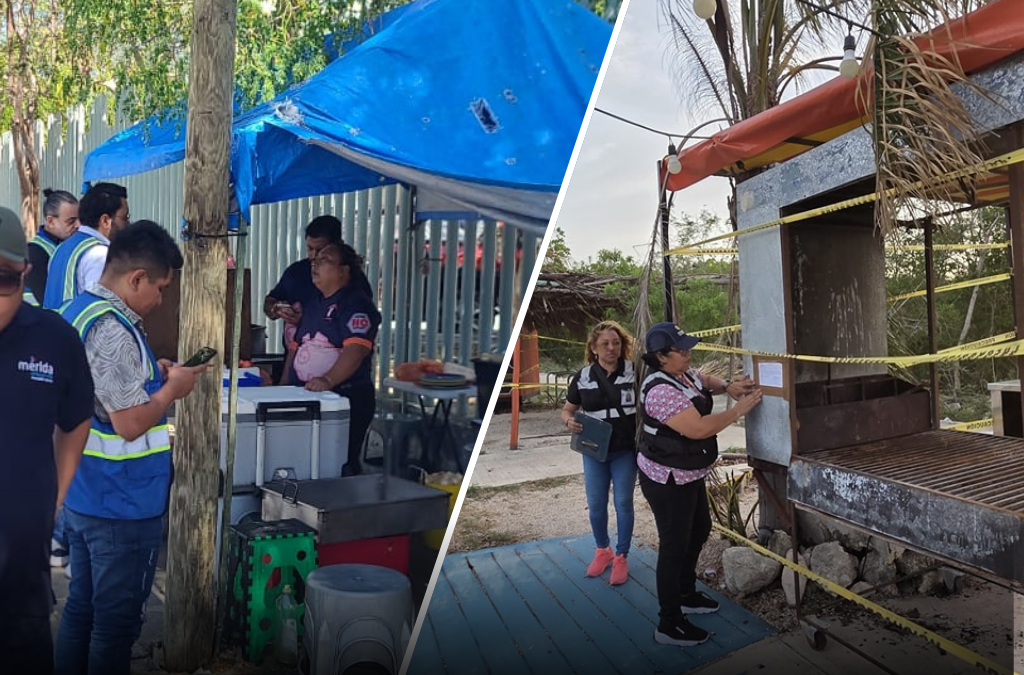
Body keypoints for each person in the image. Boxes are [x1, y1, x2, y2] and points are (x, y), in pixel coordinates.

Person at [54, 221, 208, 675]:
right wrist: (172, 391)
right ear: (136, 277)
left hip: (83, 494)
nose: (160, 301)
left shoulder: (76, 312)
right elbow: (129, 422)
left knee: (81, 607)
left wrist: (151, 375)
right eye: (159, 289)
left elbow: (101, 392)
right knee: (116, 626)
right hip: (120, 504)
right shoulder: (113, 330)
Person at [0, 206, 93, 675]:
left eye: (2, 279)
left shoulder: (55, 340)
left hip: (20, 590)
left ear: (25, 273)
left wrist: (56, 492)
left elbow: (77, 419)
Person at [638, 322, 761, 648]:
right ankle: (669, 623)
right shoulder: (660, 391)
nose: (688, 352)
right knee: (674, 545)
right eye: (681, 349)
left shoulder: (685, 374)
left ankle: (685, 592)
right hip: (666, 478)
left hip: (688, 473)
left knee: (700, 529)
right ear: (661, 357)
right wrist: (738, 410)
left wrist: (727, 386)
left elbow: (704, 380)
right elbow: (698, 429)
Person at [282, 241, 381, 476]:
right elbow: (296, 348)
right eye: (314, 261)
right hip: (305, 399)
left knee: (338, 465)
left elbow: (356, 350)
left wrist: (327, 380)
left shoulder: (355, 303)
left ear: (343, 270)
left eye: (324, 261)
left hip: (344, 398)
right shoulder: (313, 303)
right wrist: (282, 386)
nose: (314, 265)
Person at [560, 320, 638, 586]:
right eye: (604, 343)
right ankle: (602, 550)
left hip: (624, 450)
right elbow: (567, 409)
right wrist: (568, 421)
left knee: (623, 504)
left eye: (616, 343)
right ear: (593, 348)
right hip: (593, 450)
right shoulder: (582, 377)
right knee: (595, 505)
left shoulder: (634, 371)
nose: (611, 348)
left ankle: (622, 556)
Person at [264, 215, 374, 357]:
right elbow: (270, 302)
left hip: (337, 368)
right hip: (295, 361)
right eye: (310, 248)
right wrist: (276, 308)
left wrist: (306, 322)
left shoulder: (354, 282)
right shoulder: (296, 272)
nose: (314, 257)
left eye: (321, 251)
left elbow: (357, 333)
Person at [43, 182, 129, 309]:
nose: (127, 223)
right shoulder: (100, 255)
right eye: (124, 217)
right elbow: (100, 311)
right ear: (105, 221)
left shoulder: (60, 249)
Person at [25, 188, 80, 304]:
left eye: (79, 220)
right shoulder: (35, 254)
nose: (78, 225)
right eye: (71, 221)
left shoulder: (60, 246)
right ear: (50, 221)